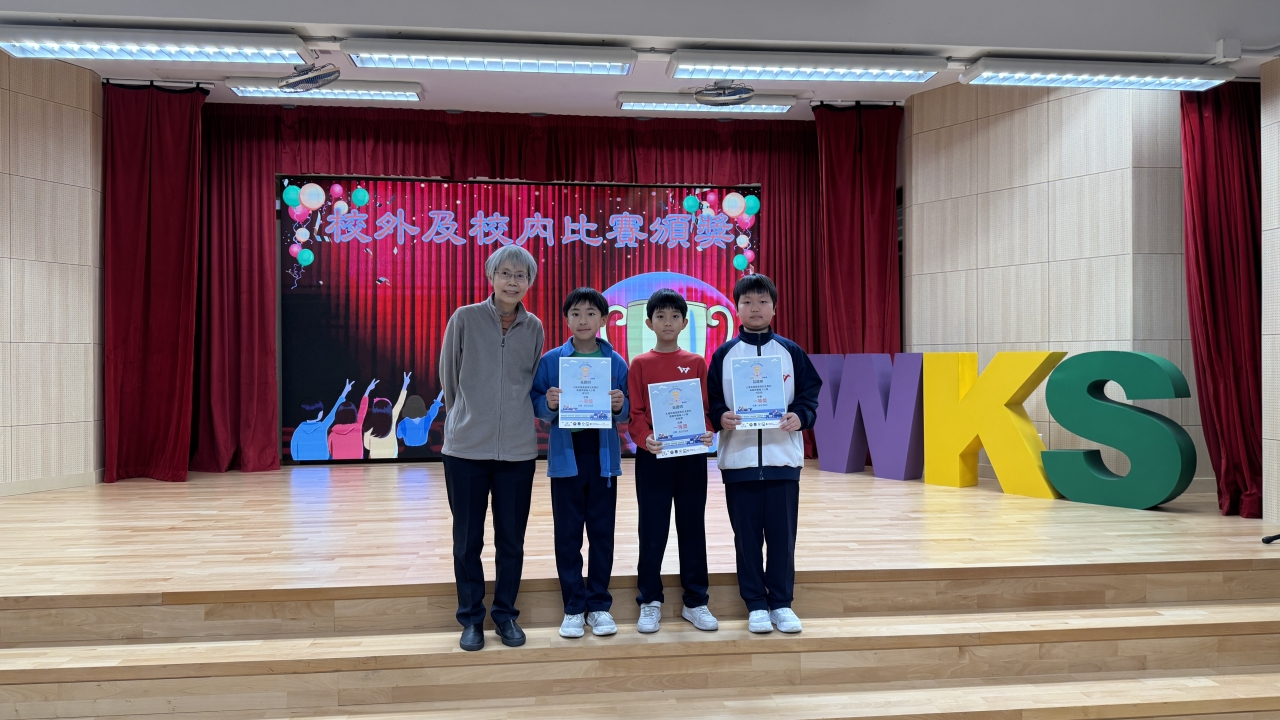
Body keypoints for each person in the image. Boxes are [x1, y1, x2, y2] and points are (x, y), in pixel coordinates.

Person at [438, 244, 545, 652]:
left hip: (517, 451)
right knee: (467, 540)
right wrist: (465, 418)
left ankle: (505, 615)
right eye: (505, 273)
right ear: (491, 277)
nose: (512, 282)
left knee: (511, 540)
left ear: (529, 282)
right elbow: (449, 377)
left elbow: (530, 381)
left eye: (521, 275)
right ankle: (471, 619)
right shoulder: (464, 318)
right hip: (465, 450)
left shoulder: (533, 328)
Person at [708, 274, 822, 634]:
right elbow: (712, 400)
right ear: (736, 308)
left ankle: (782, 604)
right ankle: (756, 604)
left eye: (762, 302)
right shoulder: (724, 354)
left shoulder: (791, 352)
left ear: (774, 307)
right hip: (738, 462)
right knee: (746, 540)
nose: (754, 308)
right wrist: (720, 416)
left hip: (782, 460)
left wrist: (800, 416)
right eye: (747, 302)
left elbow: (809, 396)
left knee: (782, 539)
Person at [531, 288, 629, 639]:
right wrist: (549, 402)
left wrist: (619, 405)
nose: (583, 319)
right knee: (568, 536)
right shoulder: (551, 361)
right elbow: (537, 405)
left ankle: (599, 605)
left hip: (603, 460)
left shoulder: (616, 362)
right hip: (566, 458)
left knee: (602, 535)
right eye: (575, 313)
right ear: (566, 319)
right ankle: (573, 607)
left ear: (603, 319)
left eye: (590, 313)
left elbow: (627, 411)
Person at [626, 288, 717, 634]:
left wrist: (708, 430)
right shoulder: (640, 364)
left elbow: (705, 409)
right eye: (660, 316)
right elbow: (635, 413)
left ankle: (696, 601)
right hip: (654, 458)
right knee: (652, 529)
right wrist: (644, 438)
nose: (667, 322)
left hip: (691, 457)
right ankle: (650, 600)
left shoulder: (696, 362)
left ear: (684, 322)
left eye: (674, 316)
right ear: (649, 323)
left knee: (692, 527)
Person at [290, 379, 353, 461]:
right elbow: (333, 413)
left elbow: (294, 451)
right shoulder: (322, 426)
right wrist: (345, 392)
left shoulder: (298, 431)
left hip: (304, 465)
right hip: (323, 464)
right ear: (320, 414)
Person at [364, 372, 412, 459]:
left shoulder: (369, 425)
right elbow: (400, 403)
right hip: (392, 458)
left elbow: (367, 446)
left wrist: (368, 390)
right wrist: (405, 385)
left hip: (375, 459)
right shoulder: (392, 418)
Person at [328, 379, 379, 460]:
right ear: (354, 414)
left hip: (338, 467)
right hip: (357, 466)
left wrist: (344, 392)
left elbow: (331, 452)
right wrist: (368, 390)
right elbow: (363, 409)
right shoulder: (357, 427)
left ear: (338, 415)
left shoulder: (332, 434)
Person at [397, 392, 443, 459]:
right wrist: (441, 393)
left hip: (408, 453)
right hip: (425, 452)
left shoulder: (402, 423)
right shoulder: (426, 419)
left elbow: (399, 435)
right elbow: (435, 407)